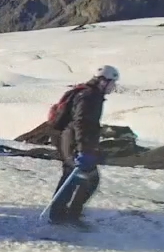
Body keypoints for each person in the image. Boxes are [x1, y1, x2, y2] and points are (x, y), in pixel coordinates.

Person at [48, 65, 120, 226]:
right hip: (75, 141)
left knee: (73, 176)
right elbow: (81, 122)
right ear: (103, 81)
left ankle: (60, 213)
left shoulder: (87, 93)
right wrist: (82, 149)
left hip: (70, 139)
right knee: (88, 179)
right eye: (112, 83)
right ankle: (67, 215)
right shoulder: (89, 96)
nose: (113, 87)